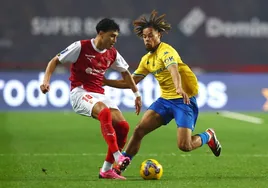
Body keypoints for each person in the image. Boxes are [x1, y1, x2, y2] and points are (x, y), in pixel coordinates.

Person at [103, 10, 222, 174]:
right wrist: (105, 81)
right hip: (165, 101)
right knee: (139, 130)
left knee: (184, 146)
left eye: (151, 35)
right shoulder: (147, 60)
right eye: (145, 36)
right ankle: (121, 165)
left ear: (159, 34)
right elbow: (131, 82)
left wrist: (179, 87)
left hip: (183, 101)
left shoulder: (166, 51)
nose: (147, 39)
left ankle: (208, 136)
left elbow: (173, 68)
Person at [40, 18, 142, 180]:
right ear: (101, 34)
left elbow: (125, 73)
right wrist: (46, 81)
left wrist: (136, 94)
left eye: (116, 37)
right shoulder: (81, 47)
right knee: (104, 112)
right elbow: (54, 61)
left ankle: (106, 170)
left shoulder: (112, 53)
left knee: (123, 126)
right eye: (112, 36)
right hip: (80, 92)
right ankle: (117, 156)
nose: (114, 40)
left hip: (98, 93)